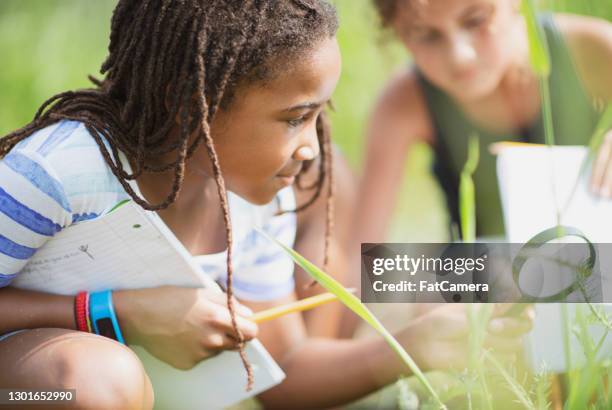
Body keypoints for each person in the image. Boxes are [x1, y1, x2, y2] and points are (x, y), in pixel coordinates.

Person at [0, 1, 531, 409]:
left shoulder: (249, 196)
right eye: (295, 117)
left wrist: (418, 344)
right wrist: (118, 313)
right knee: (93, 384)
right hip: (42, 386)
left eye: (319, 116)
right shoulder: (57, 172)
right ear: (193, 102)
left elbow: (283, 372)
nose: (313, 146)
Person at [357, 0, 612, 242]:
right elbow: (358, 256)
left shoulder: (594, 51)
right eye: (427, 36)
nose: (460, 56)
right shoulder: (405, 103)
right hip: (487, 281)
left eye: (475, 20)